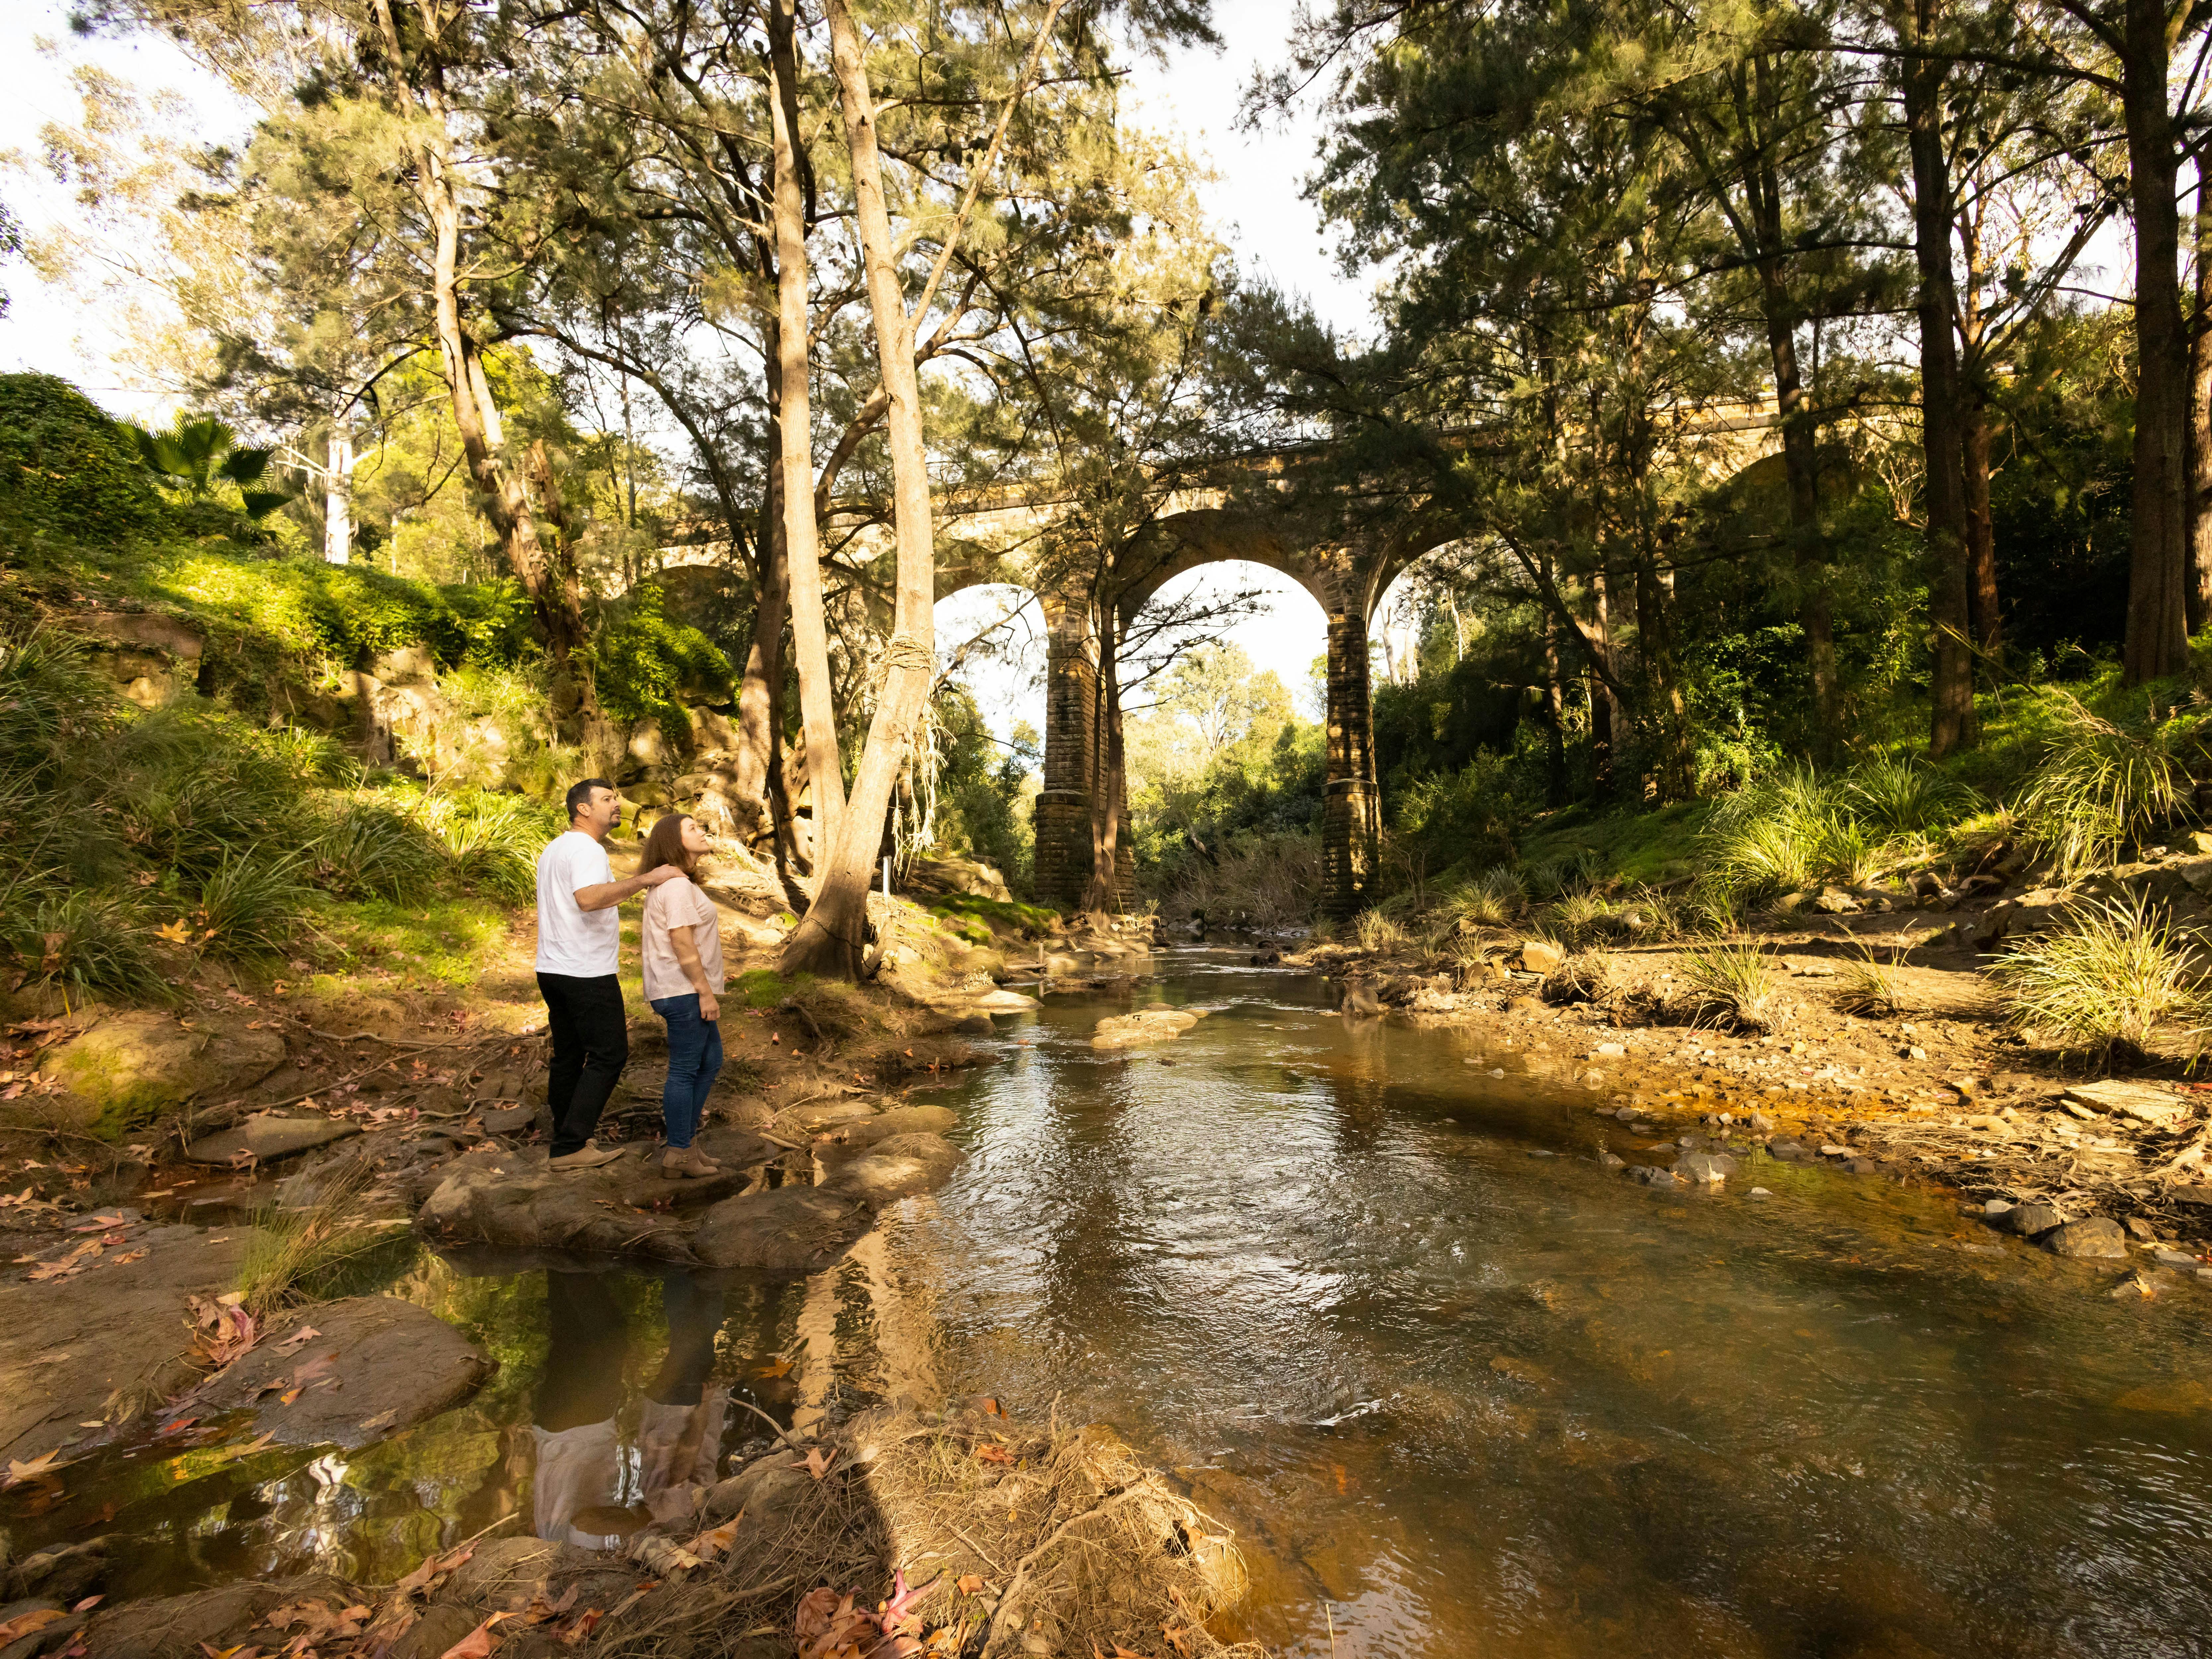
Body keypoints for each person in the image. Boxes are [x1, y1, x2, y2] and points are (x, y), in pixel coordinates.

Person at [536, 778, 681, 1172]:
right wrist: (647, 879)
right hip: (584, 971)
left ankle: (569, 1139)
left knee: (569, 1056)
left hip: (552, 968)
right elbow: (588, 899)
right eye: (606, 799)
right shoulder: (586, 848)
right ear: (582, 809)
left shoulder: (556, 847)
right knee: (609, 1054)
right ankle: (570, 1145)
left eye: (615, 797)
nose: (616, 804)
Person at [638, 813, 726, 1180]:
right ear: (673, 841)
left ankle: (687, 1144)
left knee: (710, 1062)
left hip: (685, 991)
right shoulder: (675, 886)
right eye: (692, 828)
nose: (702, 831)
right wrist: (705, 992)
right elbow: (682, 941)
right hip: (683, 991)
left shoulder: (681, 884)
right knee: (686, 1069)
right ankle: (678, 1150)